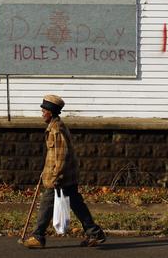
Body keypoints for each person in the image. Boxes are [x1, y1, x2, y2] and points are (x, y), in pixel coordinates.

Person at [22, 94, 106, 249]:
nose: (41, 112)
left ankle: (38, 236)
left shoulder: (56, 129)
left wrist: (55, 175)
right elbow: (54, 154)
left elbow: (62, 155)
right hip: (65, 175)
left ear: (51, 111)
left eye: (44, 109)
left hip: (60, 176)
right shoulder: (55, 126)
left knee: (47, 203)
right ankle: (94, 233)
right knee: (75, 203)